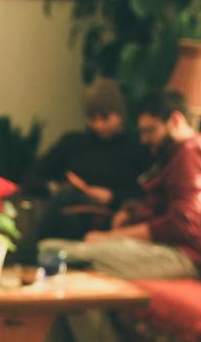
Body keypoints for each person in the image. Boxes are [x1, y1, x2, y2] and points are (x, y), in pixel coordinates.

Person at [38, 89, 201, 342]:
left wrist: (112, 237)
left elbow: (182, 223)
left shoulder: (193, 153)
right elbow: (163, 203)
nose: (145, 141)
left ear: (175, 120)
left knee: (61, 258)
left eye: (150, 131)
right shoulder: (181, 154)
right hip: (167, 248)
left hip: (184, 256)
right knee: (51, 251)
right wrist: (131, 211)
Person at [23, 78, 151, 241]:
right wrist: (55, 188)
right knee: (68, 205)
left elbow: (145, 193)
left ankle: (37, 253)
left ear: (119, 116)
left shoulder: (135, 148)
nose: (98, 125)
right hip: (68, 206)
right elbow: (32, 176)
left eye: (105, 118)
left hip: (109, 215)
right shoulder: (73, 142)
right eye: (92, 118)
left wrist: (111, 197)